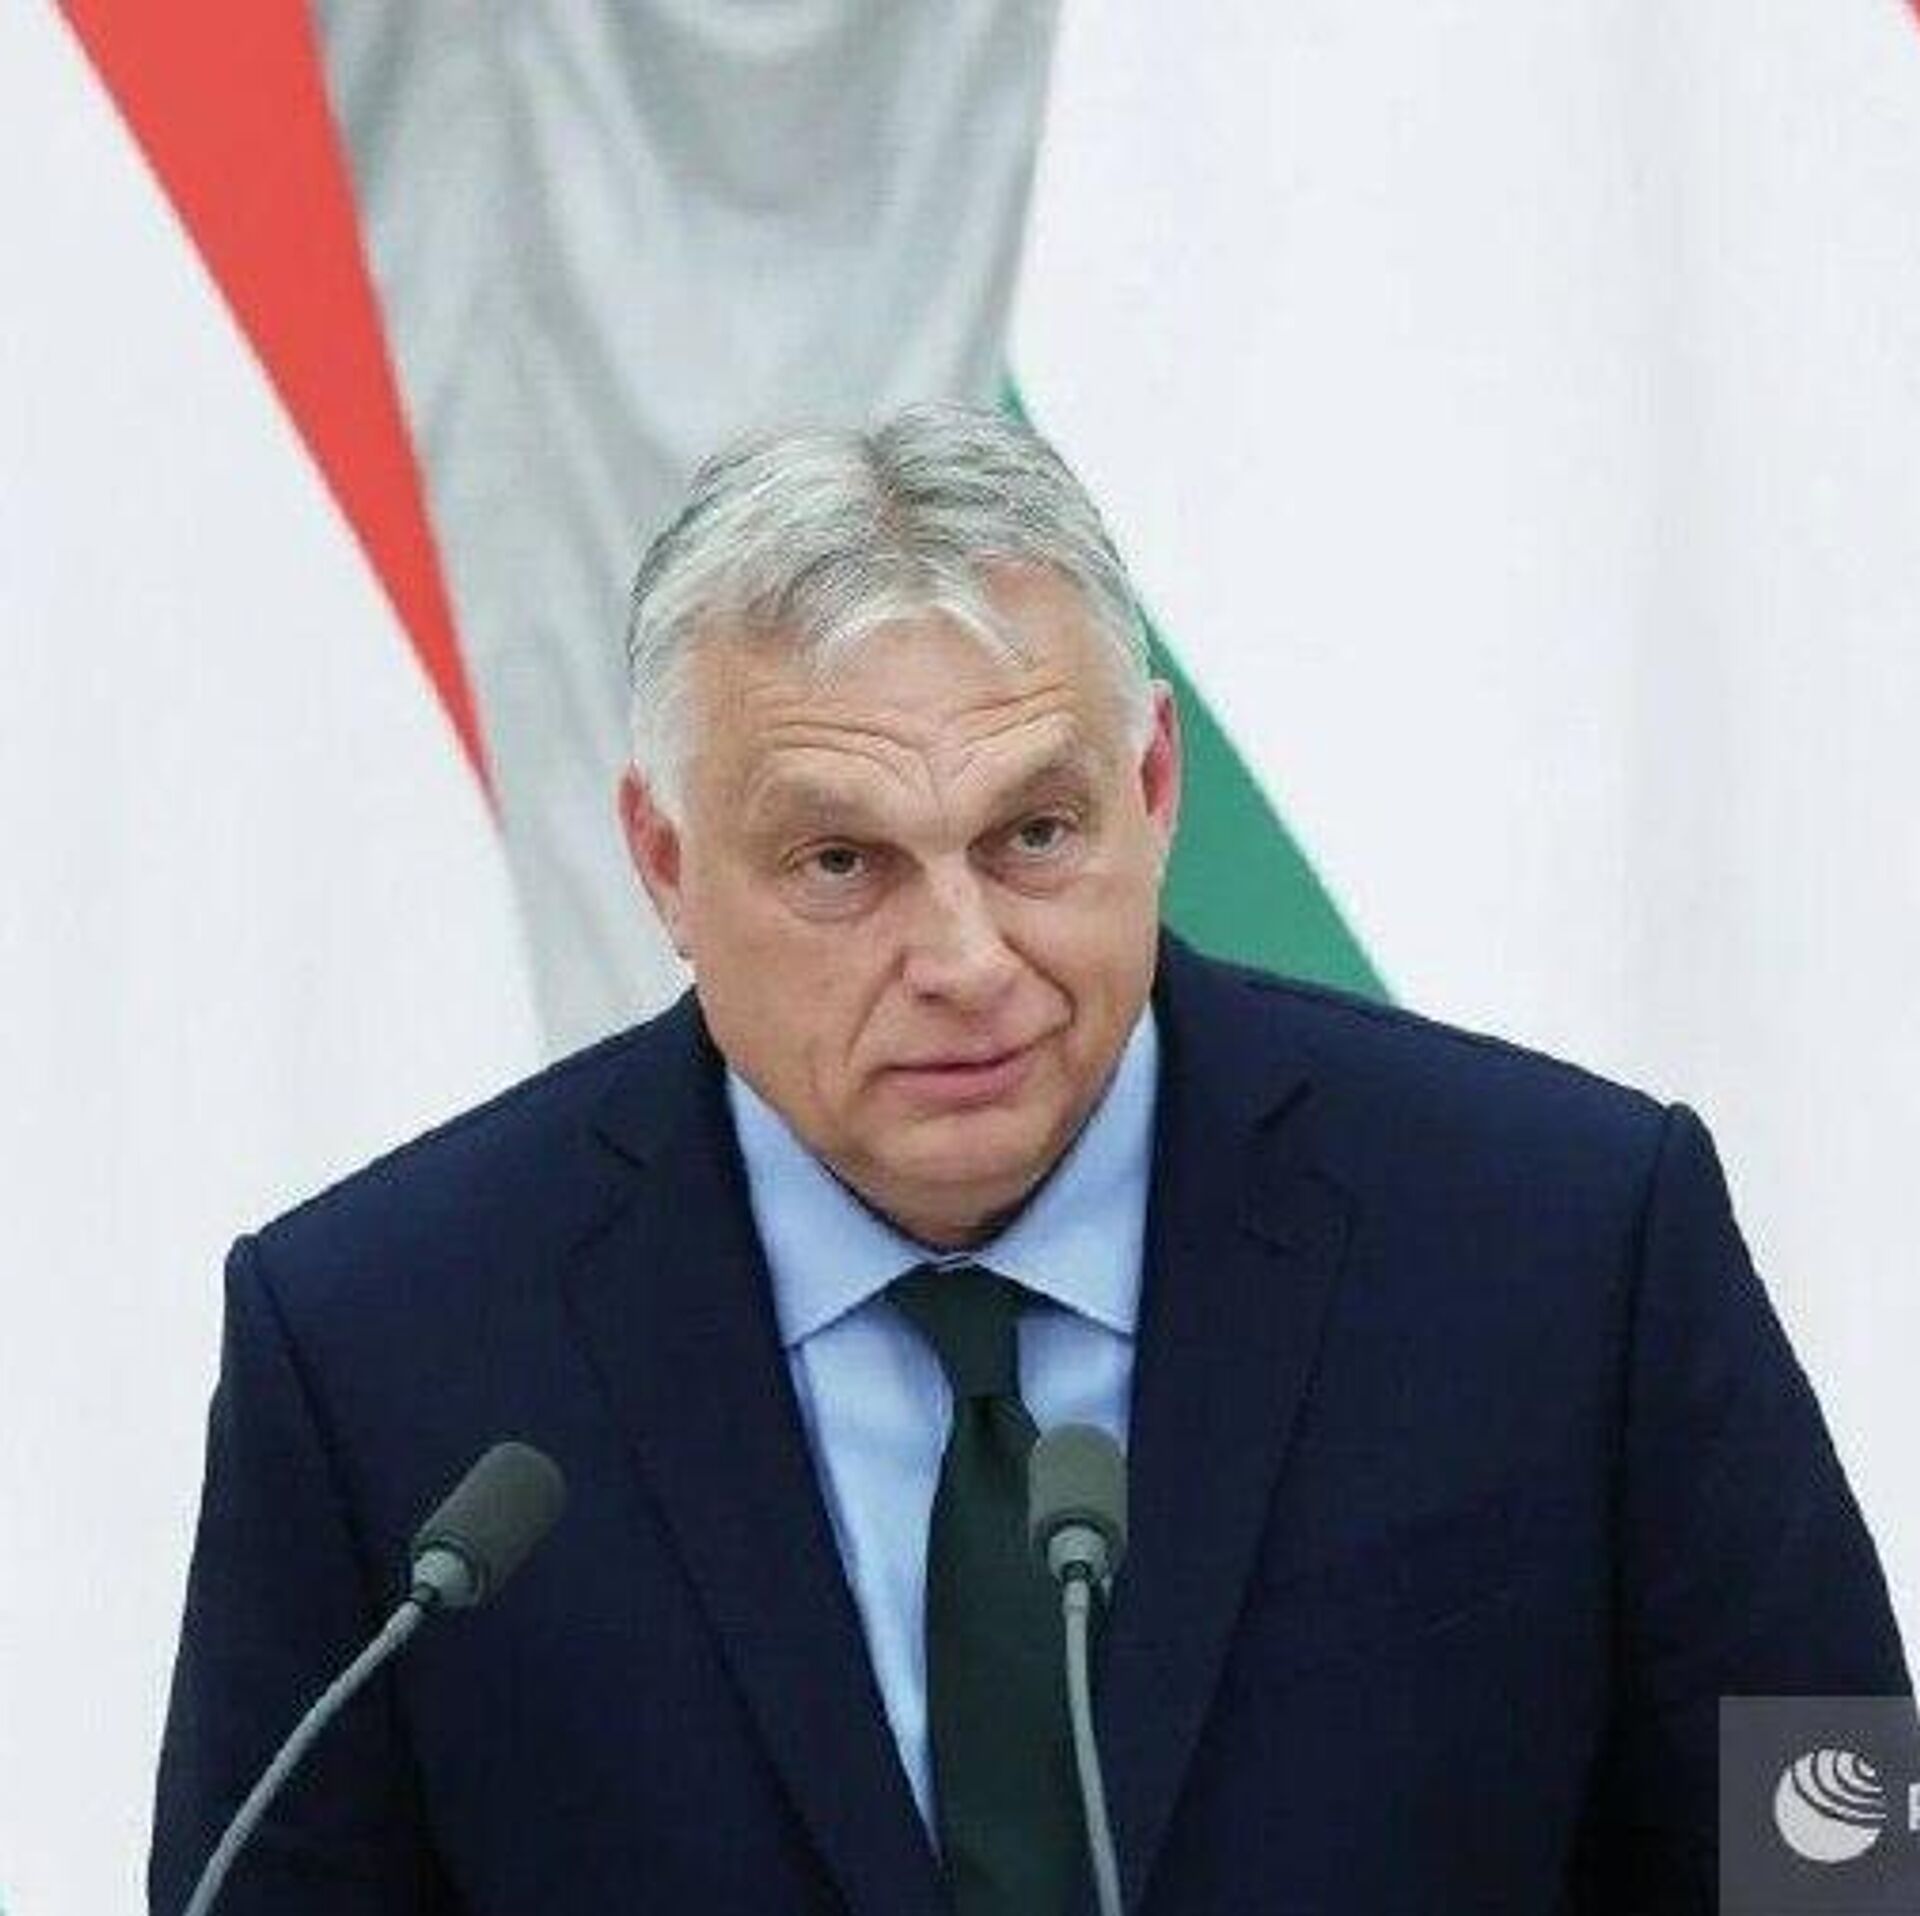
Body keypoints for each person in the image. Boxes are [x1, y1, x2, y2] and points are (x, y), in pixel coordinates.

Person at [150, 403, 1911, 1913]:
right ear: (666, 865)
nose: (966, 957)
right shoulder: (386, 1352)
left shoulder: (1567, 1242)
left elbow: (1837, 1847)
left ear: (1155, 786)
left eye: (1036, 833)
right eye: (842, 864)